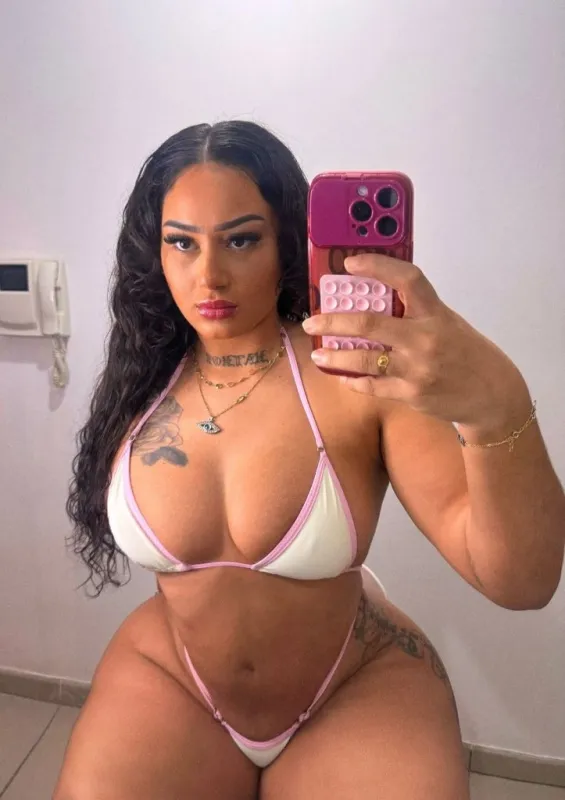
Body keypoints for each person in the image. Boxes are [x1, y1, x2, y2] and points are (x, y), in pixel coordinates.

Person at [56, 121, 565, 800]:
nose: (209, 274)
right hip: (174, 678)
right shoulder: (141, 380)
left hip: (348, 688)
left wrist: (497, 409)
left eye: (241, 239)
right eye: (182, 242)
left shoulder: (358, 376)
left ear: (288, 242)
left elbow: (521, 583)